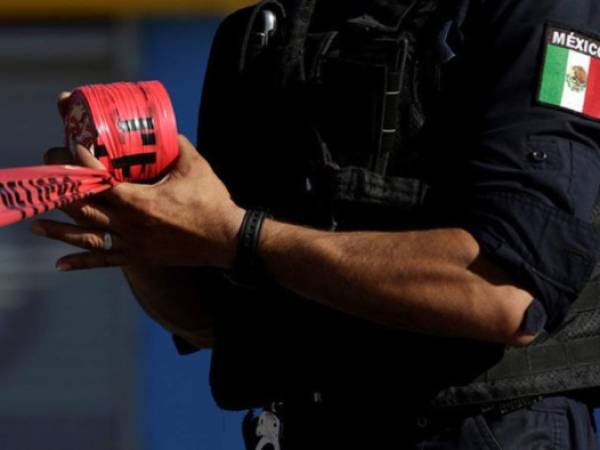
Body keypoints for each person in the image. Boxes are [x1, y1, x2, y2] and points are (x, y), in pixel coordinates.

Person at [34, 0, 600, 448]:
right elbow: (212, 323)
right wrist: (144, 226)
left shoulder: (533, 13)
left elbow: (502, 292)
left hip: (481, 429)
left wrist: (238, 237)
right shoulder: (262, 34)